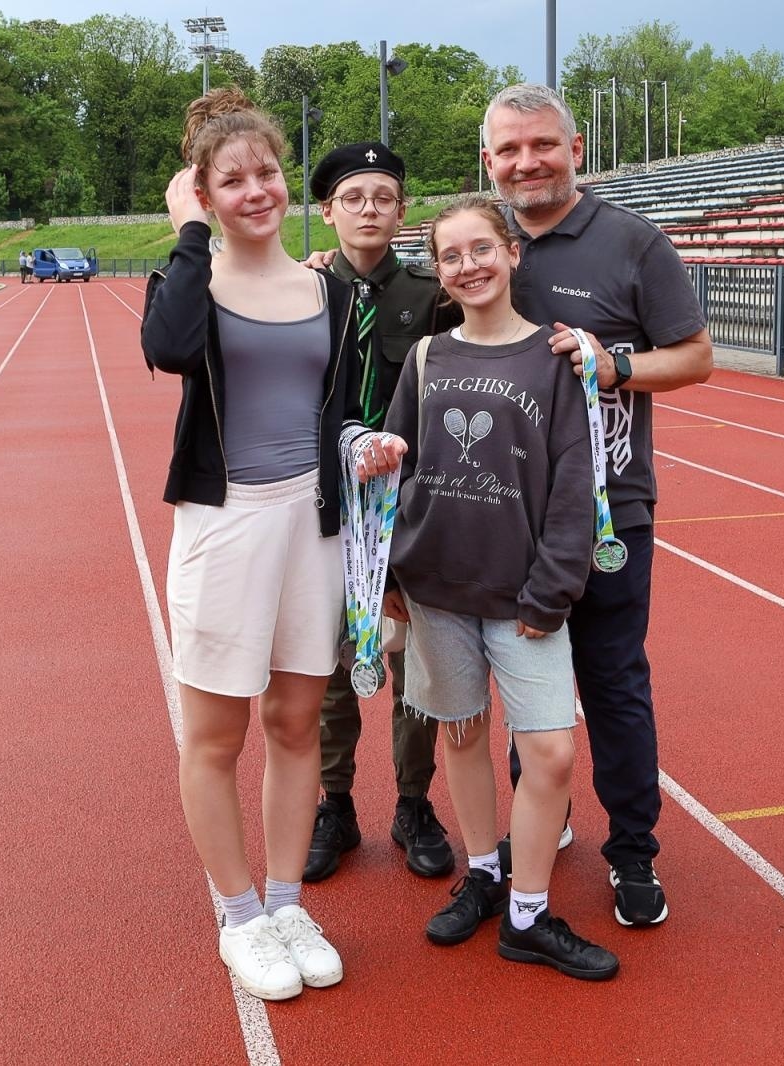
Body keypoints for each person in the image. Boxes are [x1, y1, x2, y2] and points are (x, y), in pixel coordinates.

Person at [140, 87, 404, 1003]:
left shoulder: (328, 289)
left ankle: (288, 901)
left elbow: (334, 409)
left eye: (268, 173)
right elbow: (168, 353)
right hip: (227, 524)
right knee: (216, 734)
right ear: (204, 193)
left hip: (312, 524)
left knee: (298, 724)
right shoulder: (190, 282)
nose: (257, 190)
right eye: (232, 180)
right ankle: (238, 914)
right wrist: (185, 235)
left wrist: (360, 447)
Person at [483, 82, 713, 929]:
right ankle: (546, 818)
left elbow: (694, 358)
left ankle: (634, 851)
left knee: (613, 682)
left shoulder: (633, 243)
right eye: (509, 149)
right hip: (508, 514)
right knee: (524, 682)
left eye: (541, 145)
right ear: (488, 161)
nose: (526, 162)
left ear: (575, 150)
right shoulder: (486, 242)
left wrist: (614, 365)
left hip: (614, 513)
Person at [382, 196, 617, 980]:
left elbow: (573, 488)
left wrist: (552, 591)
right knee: (462, 735)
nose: (469, 265)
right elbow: (398, 469)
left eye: (482, 248)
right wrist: (390, 578)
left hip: (524, 601)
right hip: (436, 590)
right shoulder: (427, 358)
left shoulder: (555, 361)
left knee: (549, 752)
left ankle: (528, 912)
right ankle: (483, 872)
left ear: (512, 253)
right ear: (440, 272)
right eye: (451, 256)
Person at [300, 141, 463, 883]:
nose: (370, 210)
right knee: (331, 662)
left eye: (384, 198)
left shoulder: (435, 298)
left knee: (418, 667)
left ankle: (412, 802)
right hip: (326, 507)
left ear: (402, 212)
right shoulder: (297, 294)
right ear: (327, 211)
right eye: (353, 197)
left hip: (416, 506)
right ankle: (334, 802)